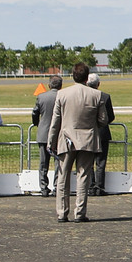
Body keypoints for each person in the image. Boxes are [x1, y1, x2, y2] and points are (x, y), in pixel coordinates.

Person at [50, 64, 108, 222]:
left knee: (63, 176)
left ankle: (62, 212)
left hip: (66, 139)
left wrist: (51, 141)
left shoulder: (62, 94)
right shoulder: (97, 95)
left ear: (72, 75)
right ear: (86, 76)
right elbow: (103, 120)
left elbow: (55, 122)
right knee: (83, 176)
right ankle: (80, 213)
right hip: (87, 139)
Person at [32, 75, 63, 197]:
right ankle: (57, 186)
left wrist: (37, 124)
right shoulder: (63, 95)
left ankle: (43, 187)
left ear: (49, 85)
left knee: (43, 163)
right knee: (58, 163)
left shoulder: (41, 97)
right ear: (60, 85)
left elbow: (35, 112)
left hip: (44, 132)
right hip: (59, 133)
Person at [87, 73, 115, 195]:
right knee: (101, 162)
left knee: (88, 162)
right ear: (98, 84)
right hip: (102, 132)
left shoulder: (83, 96)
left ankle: (90, 186)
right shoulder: (105, 96)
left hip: (87, 132)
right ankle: (99, 187)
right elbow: (111, 116)